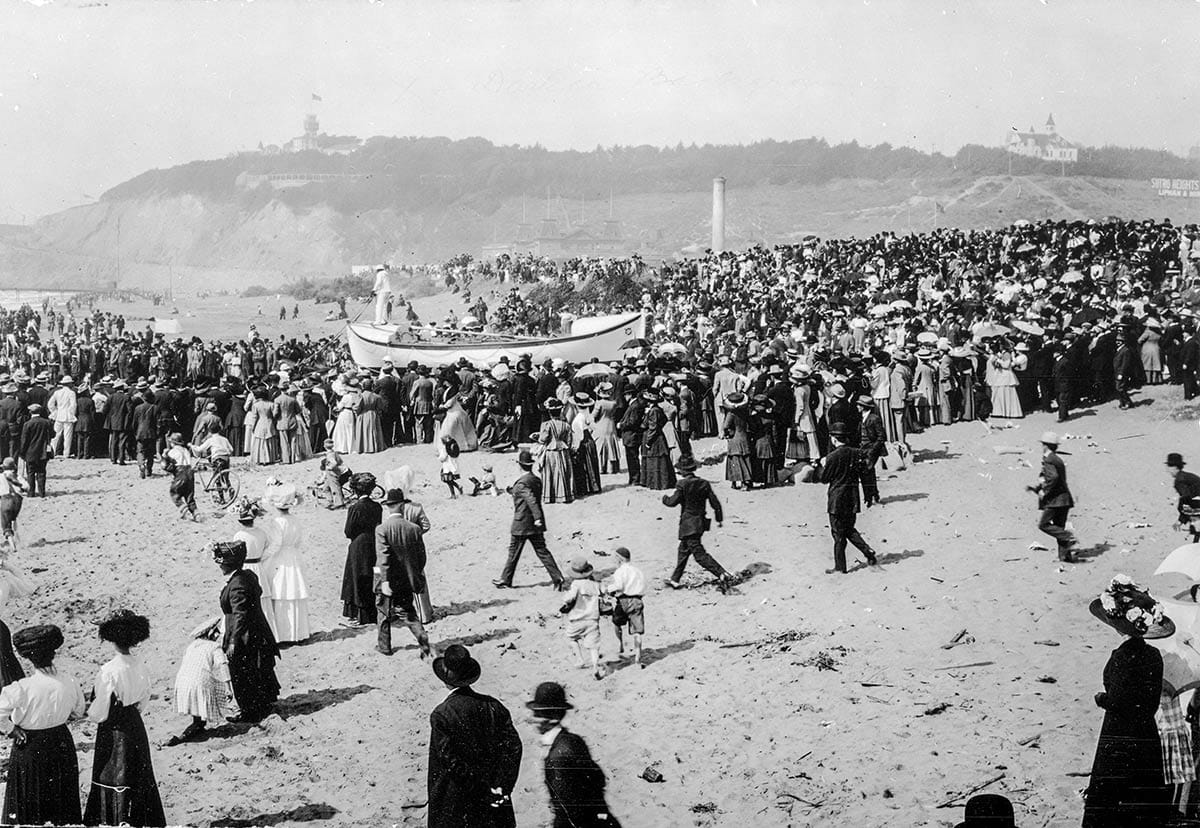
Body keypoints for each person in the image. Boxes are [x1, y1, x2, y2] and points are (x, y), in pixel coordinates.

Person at [1083, 576, 1174, 826]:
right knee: (1143, 794)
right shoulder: (1154, 655)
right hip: (1146, 732)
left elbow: (1120, 701)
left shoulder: (1122, 657)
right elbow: (1147, 699)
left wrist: (1103, 699)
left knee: (1112, 796)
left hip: (1119, 733)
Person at [83, 609, 166, 827]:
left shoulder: (108, 671)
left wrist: (92, 715)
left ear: (110, 637)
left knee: (112, 775)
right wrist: (132, 712)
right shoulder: (140, 665)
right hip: (134, 724)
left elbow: (100, 710)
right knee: (139, 774)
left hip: (113, 727)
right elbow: (144, 698)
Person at [427, 644, 522, 828]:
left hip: (457, 804)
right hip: (495, 802)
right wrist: (502, 786)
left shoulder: (442, 715)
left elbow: (450, 762)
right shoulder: (494, 706)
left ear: (446, 680)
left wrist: (482, 790)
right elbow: (514, 748)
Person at [0, 625, 85, 826]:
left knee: (30, 800)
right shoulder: (70, 682)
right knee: (62, 800)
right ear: (53, 653)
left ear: (28, 657)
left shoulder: (21, 688)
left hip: (30, 746)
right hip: (61, 743)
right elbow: (78, 712)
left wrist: (11, 729)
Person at [526, 682, 622, 828]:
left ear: (551, 718)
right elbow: (598, 778)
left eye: (537, 714)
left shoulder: (557, 757)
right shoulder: (573, 740)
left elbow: (569, 806)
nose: (532, 719)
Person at [213, 540, 280, 723]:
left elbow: (240, 615)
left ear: (229, 564)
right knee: (257, 671)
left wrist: (233, 641)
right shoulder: (248, 576)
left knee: (243, 674)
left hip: (245, 635)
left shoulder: (237, 585)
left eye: (222, 563)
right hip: (257, 631)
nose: (220, 566)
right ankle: (261, 706)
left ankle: (251, 712)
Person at [809, 422, 878, 573]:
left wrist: (820, 466)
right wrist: (869, 495)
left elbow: (824, 479)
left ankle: (840, 567)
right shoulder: (857, 453)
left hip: (837, 500)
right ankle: (867, 551)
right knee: (848, 529)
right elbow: (865, 473)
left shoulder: (831, 457)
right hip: (852, 498)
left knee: (838, 534)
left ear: (834, 439)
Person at [494, 449, 565, 590]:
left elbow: (530, 499)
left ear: (519, 465)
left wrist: (537, 517)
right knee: (542, 551)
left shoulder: (521, 484)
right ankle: (557, 578)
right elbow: (528, 495)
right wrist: (512, 491)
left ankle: (505, 579)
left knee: (513, 551)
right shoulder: (535, 480)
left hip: (522, 523)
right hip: (534, 525)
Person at [373, 489, 432, 658]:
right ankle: (424, 641)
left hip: (387, 579)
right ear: (402, 505)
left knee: (383, 612)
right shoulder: (414, 529)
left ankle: (384, 646)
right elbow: (421, 557)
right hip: (406, 579)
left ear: (388, 506)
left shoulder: (382, 529)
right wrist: (414, 574)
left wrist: (384, 581)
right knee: (408, 613)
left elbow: (383, 558)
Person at [662, 455, 733, 590]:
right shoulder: (704, 483)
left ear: (683, 471)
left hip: (688, 525)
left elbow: (672, 502)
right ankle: (675, 579)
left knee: (699, 555)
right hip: (700, 523)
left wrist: (664, 498)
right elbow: (715, 503)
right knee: (683, 550)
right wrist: (719, 518)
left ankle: (722, 573)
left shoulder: (682, 484)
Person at [168, 616, 236, 744]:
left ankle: (195, 726)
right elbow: (223, 665)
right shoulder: (214, 647)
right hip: (199, 683)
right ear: (210, 633)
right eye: (216, 633)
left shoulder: (192, 646)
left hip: (182, 682)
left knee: (198, 715)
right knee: (210, 686)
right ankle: (191, 731)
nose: (217, 636)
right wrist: (228, 687)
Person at [261, 480, 311, 644]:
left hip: (280, 558)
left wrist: (262, 557)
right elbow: (300, 541)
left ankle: (283, 635)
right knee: (293, 592)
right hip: (293, 557)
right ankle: (297, 633)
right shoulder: (295, 520)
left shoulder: (276, 522)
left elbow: (275, 545)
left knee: (280, 592)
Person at [1027, 431, 1076, 563]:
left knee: (1044, 524)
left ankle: (1068, 537)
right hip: (1064, 499)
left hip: (1055, 500)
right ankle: (1065, 557)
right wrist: (1036, 488)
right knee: (1059, 527)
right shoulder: (1057, 459)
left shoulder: (1049, 459)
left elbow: (1053, 477)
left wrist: (1045, 491)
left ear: (1045, 445)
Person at [232, 497, 277, 640]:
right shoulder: (261, 533)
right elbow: (269, 547)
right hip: (258, 567)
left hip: (245, 567)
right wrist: (260, 557)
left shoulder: (239, 535)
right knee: (262, 600)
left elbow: (235, 554)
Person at [341, 474, 382, 627]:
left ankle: (358, 615)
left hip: (358, 545)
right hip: (373, 542)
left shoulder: (355, 508)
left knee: (356, 577)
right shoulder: (377, 507)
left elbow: (348, 531)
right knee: (372, 575)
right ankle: (372, 612)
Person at [560, 558, 604, 681]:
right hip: (593, 619)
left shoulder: (576, 584)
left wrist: (565, 597)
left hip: (577, 619)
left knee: (571, 638)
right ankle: (595, 667)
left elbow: (569, 598)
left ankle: (580, 659)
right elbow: (604, 592)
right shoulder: (595, 585)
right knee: (594, 646)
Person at [601, 546, 645, 667]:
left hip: (624, 600)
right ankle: (638, 656)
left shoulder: (620, 571)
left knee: (617, 622)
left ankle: (620, 644)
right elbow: (643, 586)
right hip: (637, 600)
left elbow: (619, 586)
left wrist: (608, 589)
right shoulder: (638, 571)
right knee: (637, 631)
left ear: (619, 559)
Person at [17, 404, 52, 497]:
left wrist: (22, 452)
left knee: (30, 473)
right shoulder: (47, 422)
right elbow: (53, 434)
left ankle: (31, 492)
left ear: (30, 412)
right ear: (40, 411)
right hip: (43, 451)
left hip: (30, 452)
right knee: (41, 472)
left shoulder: (27, 424)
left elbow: (24, 440)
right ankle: (42, 492)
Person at [162, 432, 198, 521]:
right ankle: (196, 513)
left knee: (174, 493)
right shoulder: (186, 450)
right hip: (190, 473)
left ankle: (184, 509)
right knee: (189, 496)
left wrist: (164, 456)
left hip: (180, 473)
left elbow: (165, 466)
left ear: (172, 443)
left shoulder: (172, 452)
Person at [1166, 453, 1200, 527]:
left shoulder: (1179, 481)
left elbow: (1186, 498)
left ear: (1175, 467)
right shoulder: (1187, 476)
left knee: (1182, 504)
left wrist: (1181, 520)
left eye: (1169, 466)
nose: (1167, 470)